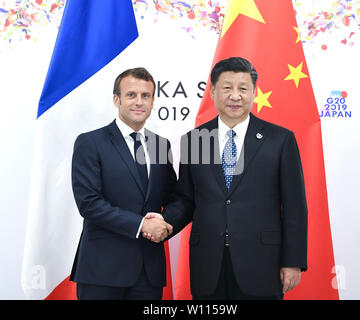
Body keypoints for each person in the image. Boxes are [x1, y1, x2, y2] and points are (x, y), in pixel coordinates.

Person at [145, 57, 308, 300]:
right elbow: (186, 199)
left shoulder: (280, 140)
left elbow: (295, 206)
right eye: (227, 88)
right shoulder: (195, 140)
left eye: (243, 88)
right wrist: (165, 221)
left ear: (254, 92)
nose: (235, 96)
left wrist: (293, 261)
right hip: (209, 264)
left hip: (262, 264)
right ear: (212, 91)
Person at [70, 67, 176, 300]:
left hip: (148, 274)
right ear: (116, 99)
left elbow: (174, 197)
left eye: (145, 95)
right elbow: (89, 203)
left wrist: (166, 223)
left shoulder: (161, 145)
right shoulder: (90, 142)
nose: (139, 102)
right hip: (101, 271)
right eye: (131, 95)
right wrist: (141, 225)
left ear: (153, 101)